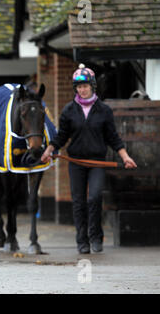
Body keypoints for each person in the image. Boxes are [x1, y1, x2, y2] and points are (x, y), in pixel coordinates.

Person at [41, 64, 137, 254]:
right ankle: (82, 241)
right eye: (79, 87)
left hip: (96, 163)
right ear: (75, 88)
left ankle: (96, 237)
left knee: (94, 198)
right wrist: (49, 150)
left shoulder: (104, 110)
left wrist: (125, 157)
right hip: (76, 162)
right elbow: (62, 136)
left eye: (85, 86)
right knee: (78, 201)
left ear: (93, 86)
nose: (82, 90)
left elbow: (113, 137)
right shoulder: (69, 110)